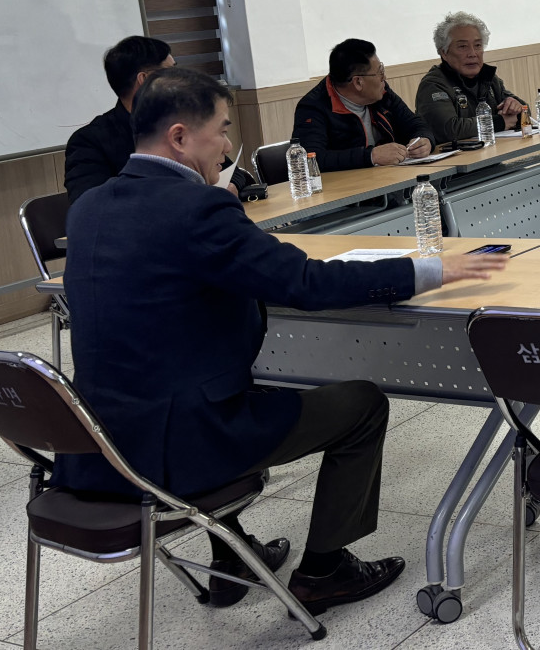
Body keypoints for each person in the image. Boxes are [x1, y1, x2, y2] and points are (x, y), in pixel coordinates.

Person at [56, 67, 505, 612]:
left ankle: (231, 559)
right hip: (179, 446)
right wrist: (430, 270)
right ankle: (325, 572)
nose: (227, 148)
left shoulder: (89, 208)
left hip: (97, 443)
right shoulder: (196, 208)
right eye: (222, 131)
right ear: (179, 136)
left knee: (238, 385)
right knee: (361, 405)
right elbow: (306, 283)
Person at [65, 35, 253, 202]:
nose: (182, 80)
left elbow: (231, 171)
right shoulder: (89, 141)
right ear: (145, 79)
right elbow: (88, 203)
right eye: (172, 72)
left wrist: (232, 186)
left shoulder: (179, 123)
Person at [293, 39, 432, 171]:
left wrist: (424, 139)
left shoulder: (382, 93)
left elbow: (415, 123)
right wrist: (371, 156)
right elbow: (311, 159)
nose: (384, 77)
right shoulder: (313, 107)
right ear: (358, 82)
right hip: (350, 185)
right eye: (379, 72)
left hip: (392, 178)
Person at [416, 11, 525, 144]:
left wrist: (516, 108)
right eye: (463, 46)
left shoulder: (488, 78)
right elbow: (449, 129)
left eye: (478, 45)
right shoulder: (433, 85)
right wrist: (499, 122)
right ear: (444, 53)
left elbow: (526, 112)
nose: (472, 53)